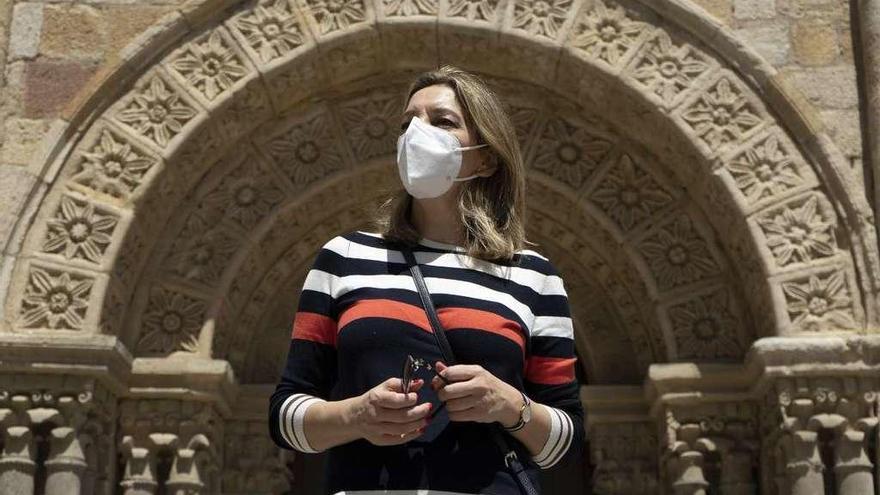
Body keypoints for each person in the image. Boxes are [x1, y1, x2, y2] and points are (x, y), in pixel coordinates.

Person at [268, 65, 584, 494]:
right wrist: (356, 415)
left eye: (442, 121)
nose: (417, 133)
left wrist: (509, 404)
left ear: (487, 157)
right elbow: (286, 414)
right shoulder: (344, 257)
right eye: (408, 122)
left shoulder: (534, 276)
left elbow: (563, 441)